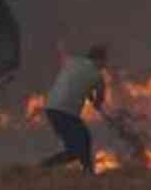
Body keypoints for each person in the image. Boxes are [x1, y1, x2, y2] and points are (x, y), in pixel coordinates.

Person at [41, 45, 108, 174]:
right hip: (66, 112)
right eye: (104, 62)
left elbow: (75, 81)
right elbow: (99, 101)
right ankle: (45, 166)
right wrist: (96, 102)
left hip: (51, 108)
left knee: (81, 141)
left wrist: (88, 92)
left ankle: (87, 171)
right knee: (80, 144)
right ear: (98, 60)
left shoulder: (72, 62)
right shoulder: (97, 76)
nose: (104, 65)